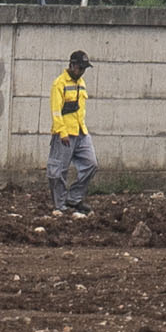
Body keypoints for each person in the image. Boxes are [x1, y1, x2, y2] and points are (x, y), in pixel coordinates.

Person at [46, 48, 96, 216]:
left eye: (84, 69)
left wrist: (83, 131)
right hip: (64, 134)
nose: (82, 72)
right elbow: (56, 111)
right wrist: (62, 132)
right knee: (59, 171)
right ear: (72, 65)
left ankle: (74, 198)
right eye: (80, 68)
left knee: (91, 164)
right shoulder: (59, 84)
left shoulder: (81, 84)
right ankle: (60, 206)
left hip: (81, 132)